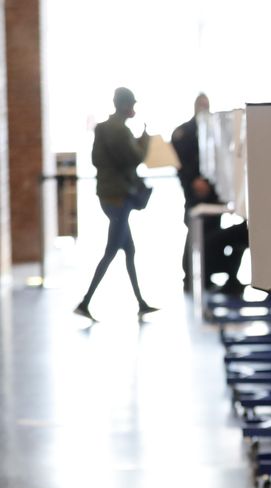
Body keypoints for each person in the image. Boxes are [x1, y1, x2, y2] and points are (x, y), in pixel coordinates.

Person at [75, 87, 158, 321]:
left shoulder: (103, 128)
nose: (133, 109)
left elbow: (95, 159)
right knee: (111, 251)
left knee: (129, 250)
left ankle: (141, 303)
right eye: (132, 104)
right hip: (118, 198)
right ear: (125, 106)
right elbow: (135, 158)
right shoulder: (119, 131)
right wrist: (145, 142)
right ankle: (85, 302)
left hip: (109, 195)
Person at [171, 93, 221, 290]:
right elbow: (180, 162)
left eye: (206, 105)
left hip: (214, 192)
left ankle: (206, 274)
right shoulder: (184, 132)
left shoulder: (214, 131)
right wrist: (193, 181)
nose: (204, 108)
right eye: (201, 105)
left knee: (212, 231)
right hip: (193, 193)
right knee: (195, 230)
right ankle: (190, 276)